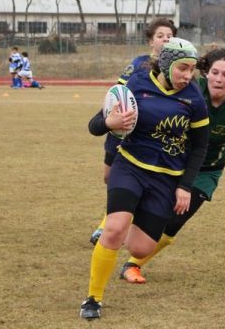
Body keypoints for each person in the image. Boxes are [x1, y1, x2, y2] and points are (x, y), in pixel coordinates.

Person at [80, 37, 210, 320]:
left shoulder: (195, 97)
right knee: (114, 229)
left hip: (166, 179)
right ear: (166, 64)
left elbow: (201, 146)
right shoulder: (137, 83)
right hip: (130, 167)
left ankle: (126, 218)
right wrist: (110, 123)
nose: (188, 76)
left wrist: (185, 186)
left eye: (192, 69)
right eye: (182, 68)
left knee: (141, 247)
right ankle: (93, 299)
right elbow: (94, 126)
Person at [109, 48, 225, 284]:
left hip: (207, 171)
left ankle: (133, 264)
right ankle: (116, 228)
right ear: (206, 73)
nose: (219, 79)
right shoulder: (190, 91)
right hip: (173, 162)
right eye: (215, 72)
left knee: (175, 221)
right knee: (144, 203)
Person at [89, 18, 177, 244]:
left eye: (169, 36)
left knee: (134, 184)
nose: (165, 39)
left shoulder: (176, 70)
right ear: (150, 41)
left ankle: (108, 225)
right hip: (120, 130)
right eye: (160, 36)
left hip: (146, 140)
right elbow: (116, 94)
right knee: (109, 177)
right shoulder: (138, 64)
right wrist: (110, 120)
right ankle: (114, 218)